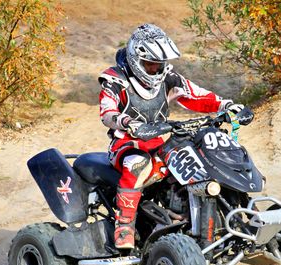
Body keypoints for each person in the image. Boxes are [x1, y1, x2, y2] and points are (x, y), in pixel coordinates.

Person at [98, 23, 244, 249]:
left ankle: (212, 217)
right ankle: (124, 224)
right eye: (150, 64)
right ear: (137, 60)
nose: (156, 69)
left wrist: (226, 105)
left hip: (162, 140)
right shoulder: (115, 79)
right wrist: (128, 123)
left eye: (159, 64)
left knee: (201, 159)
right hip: (127, 143)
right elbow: (107, 113)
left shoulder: (168, 77)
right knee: (137, 163)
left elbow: (196, 95)